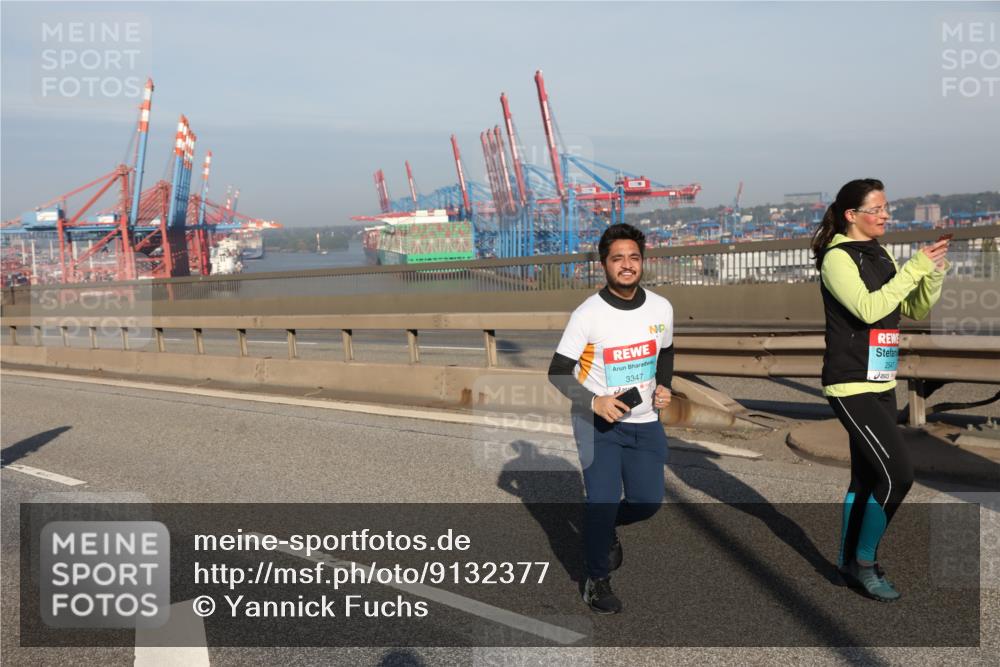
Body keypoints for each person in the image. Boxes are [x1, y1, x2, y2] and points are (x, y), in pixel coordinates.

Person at [811, 178, 949, 602]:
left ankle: (845, 563)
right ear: (853, 215)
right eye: (878, 208)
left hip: (882, 378)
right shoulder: (837, 258)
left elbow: (912, 307)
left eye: (887, 207)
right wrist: (914, 269)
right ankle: (865, 562)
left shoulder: (879, 251)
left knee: (867, 476)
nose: (886, 214)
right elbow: (869, 308)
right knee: (898, 475)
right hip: (850, 382)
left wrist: (932, 276)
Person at [547, 223, 675, 614]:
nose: (626, 265)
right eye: (617, 258)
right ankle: (596, 579)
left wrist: (665, 387)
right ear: (604, 264)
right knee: (601, 502)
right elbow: (556, 371)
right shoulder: (588, 314)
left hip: (645, 420)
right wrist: (594, 401)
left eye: (633, 257)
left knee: (648, 502)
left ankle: (604, 529)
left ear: (642, 262)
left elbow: (665, 352)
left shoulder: (661, 307)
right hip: (597, 424)